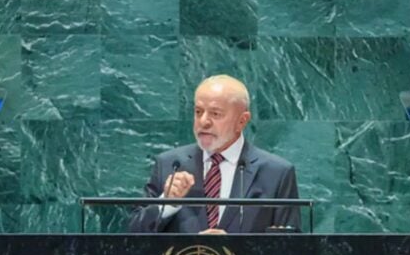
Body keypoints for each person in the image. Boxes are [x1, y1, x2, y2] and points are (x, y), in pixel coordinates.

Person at [128, 74, 301, 234]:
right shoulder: (169, 164)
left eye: (215, 114)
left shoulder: (277, 173)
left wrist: (233, 249)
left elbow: (289, 251)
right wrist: (168, 202)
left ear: (242, 121)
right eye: (198, 112)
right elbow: (133, 236)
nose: (203, 122)